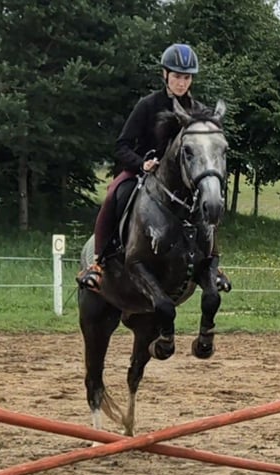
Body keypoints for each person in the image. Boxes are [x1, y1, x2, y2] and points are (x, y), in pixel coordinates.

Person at [77, 43, 231, 293]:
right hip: (142, 171)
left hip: (181, 180)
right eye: (177, 76)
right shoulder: (147, 105)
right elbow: (122, 146)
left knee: (209, 200)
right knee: (115, 194)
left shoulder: (197, 109)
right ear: (165, 75)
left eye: (187, 77)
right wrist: (142, 163)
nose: (182, 82)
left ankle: (213, 262)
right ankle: (98, 263)